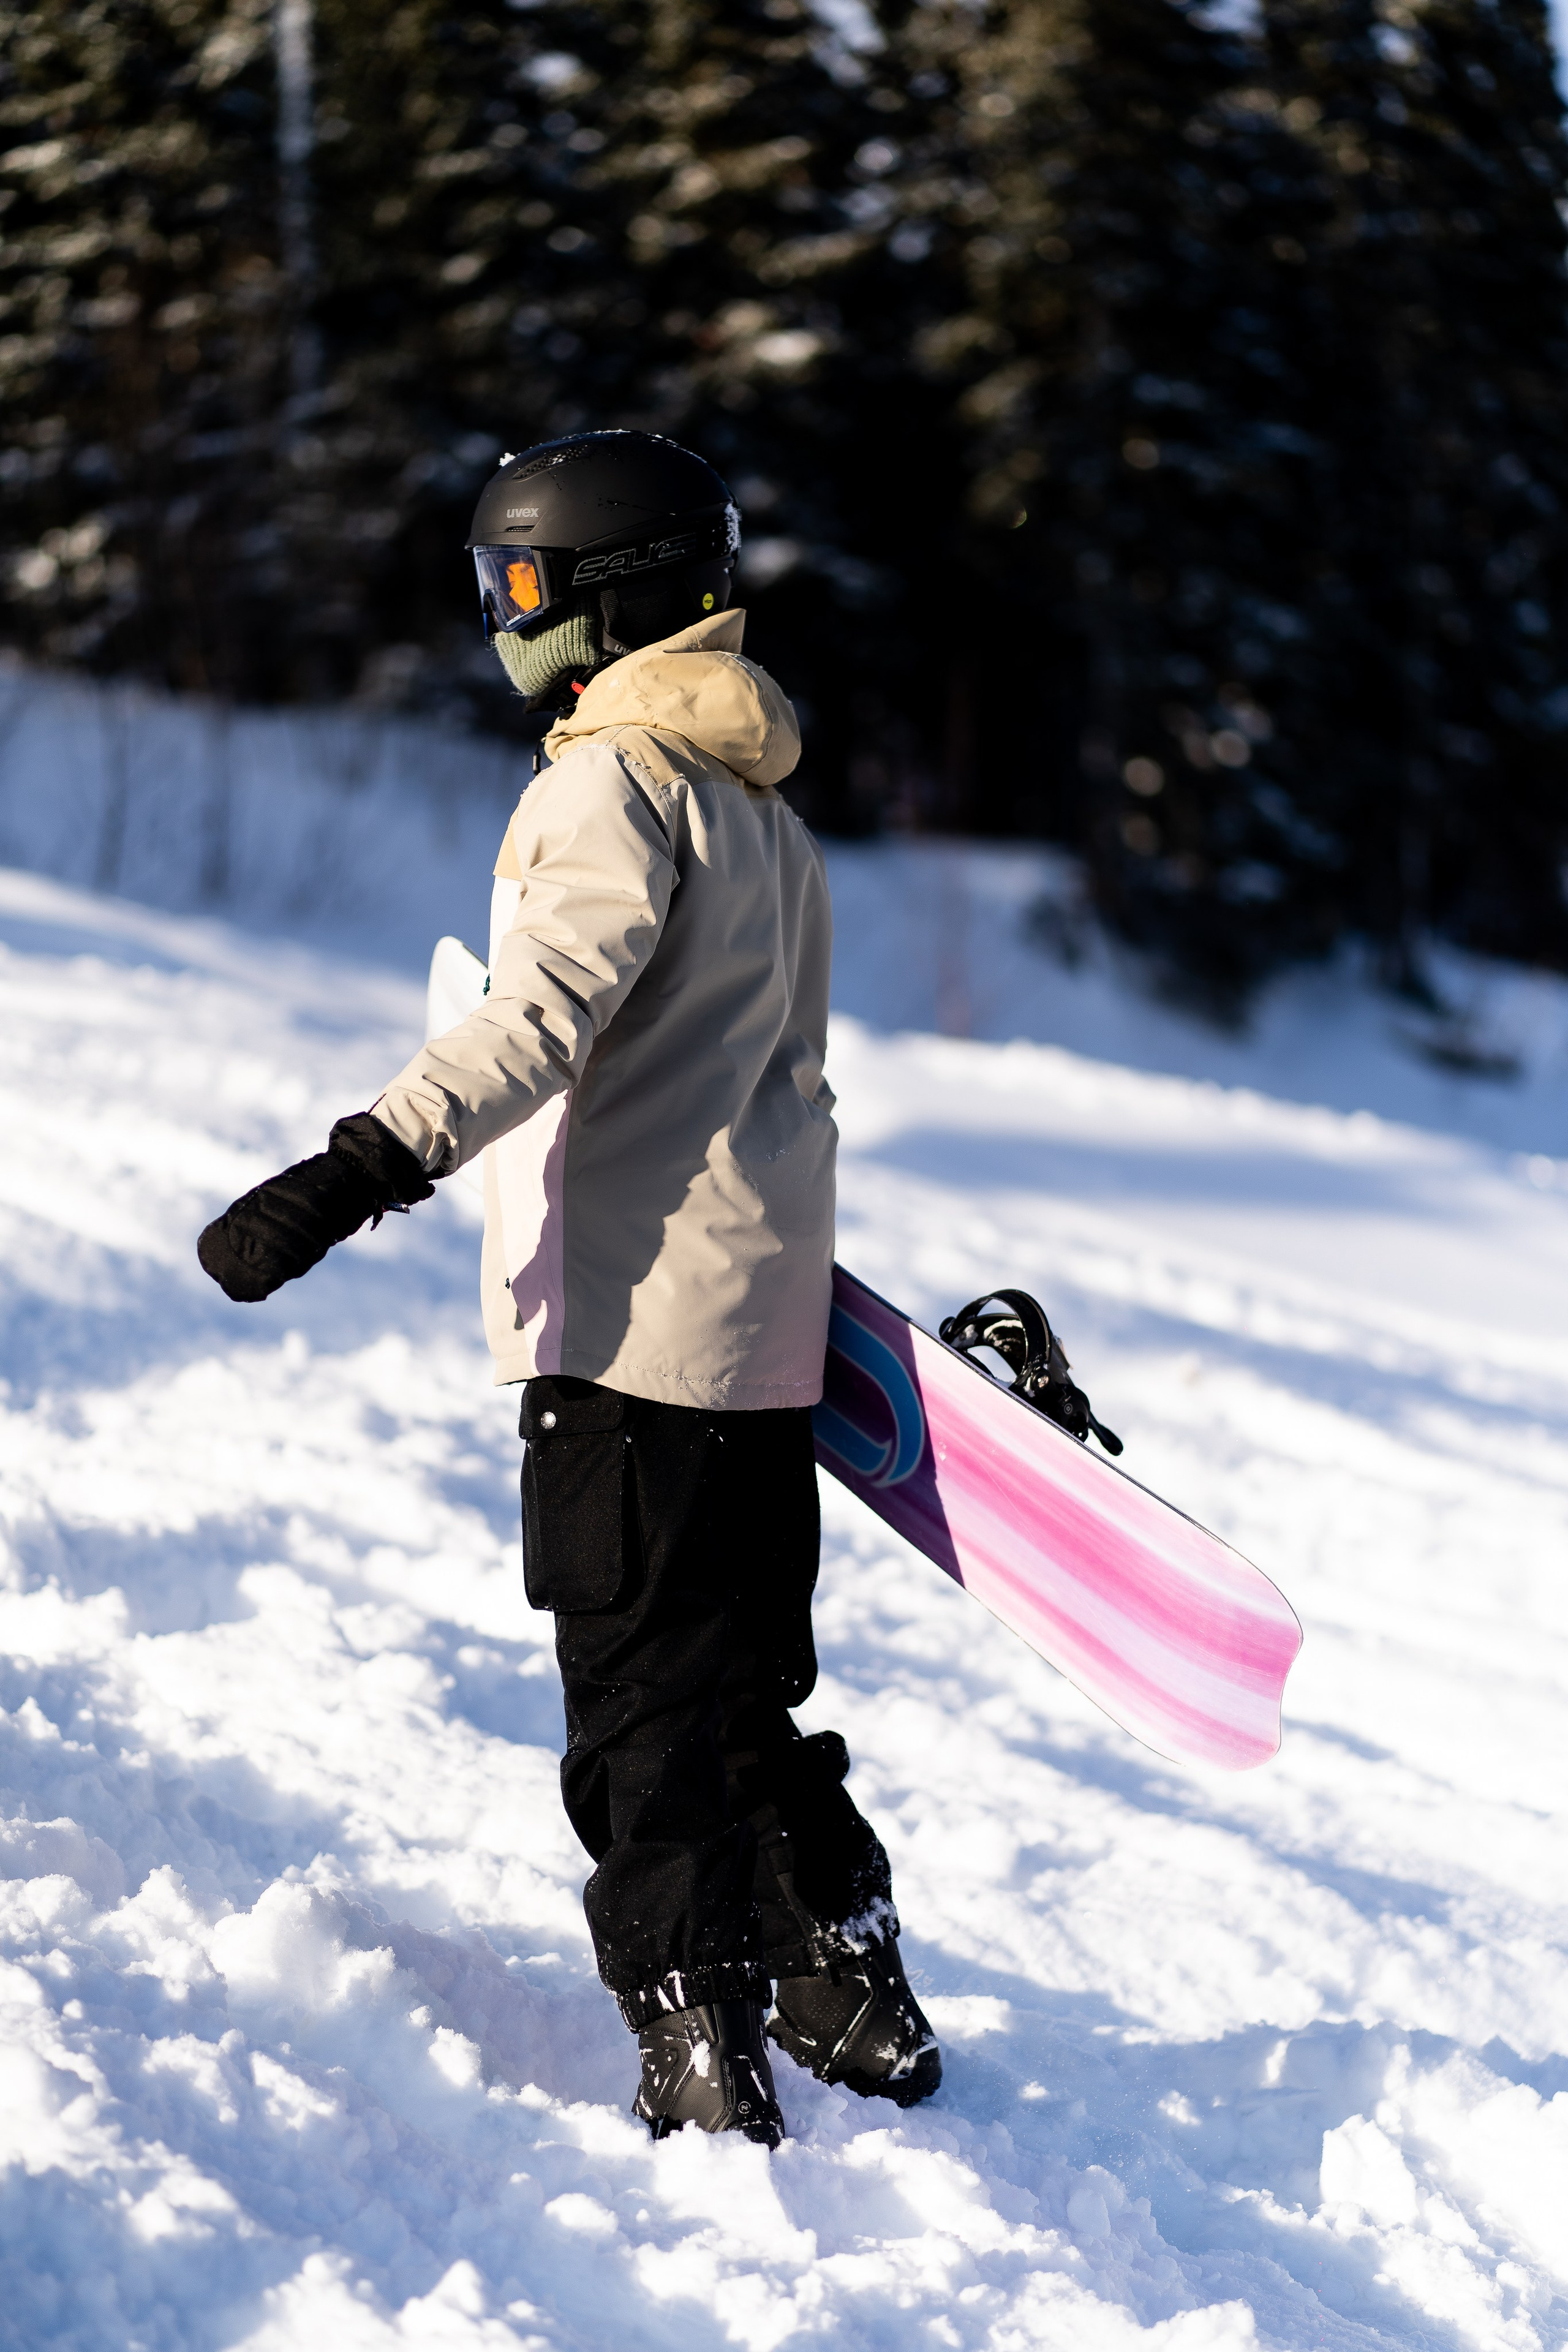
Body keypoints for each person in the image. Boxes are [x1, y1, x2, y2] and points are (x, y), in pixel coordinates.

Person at [197, 428, 940, 2147]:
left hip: (627, 1339)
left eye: (518, 589)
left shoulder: (608, 785)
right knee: (743, 1691)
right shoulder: (767, 815)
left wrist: (360, 1164)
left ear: (603, 602)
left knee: (640, 1724)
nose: (499, 621)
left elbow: (542, 1018)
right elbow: (787, 1092)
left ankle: (701, 2044)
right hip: (759, 1342)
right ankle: (844, 1978)